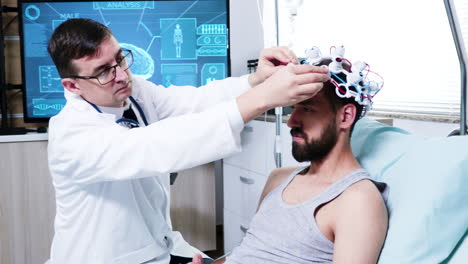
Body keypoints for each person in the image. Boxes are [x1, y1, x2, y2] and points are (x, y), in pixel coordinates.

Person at [46, 18, 329, 264]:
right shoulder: (71, 135)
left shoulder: (134, 91)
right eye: (103, 71)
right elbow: (156, 145)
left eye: (120, 58)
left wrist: (256, 81)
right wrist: (264, 97)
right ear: (72, 85)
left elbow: (194, 102)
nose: (121, 74)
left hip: (158, 248)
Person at [191, 56, 389, 264]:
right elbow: (249, 252)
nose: (291, 121)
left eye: (307, 109)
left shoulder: (357, 201)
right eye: (293, 108)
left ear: (346, 116)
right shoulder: (279, 179)